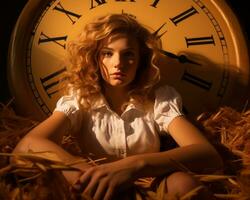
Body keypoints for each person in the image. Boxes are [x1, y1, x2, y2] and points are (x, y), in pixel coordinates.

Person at [13, 13, 222, 199]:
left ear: (141, 60)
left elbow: (208, 155)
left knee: (183, 183)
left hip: (149, 187)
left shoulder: (159, 100)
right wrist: (87, 171)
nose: (118, 63)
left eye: (128, 54)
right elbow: (27, 145)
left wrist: (135, 166)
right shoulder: (80, 100)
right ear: (95, 58)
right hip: (96, 189)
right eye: (107, 53)